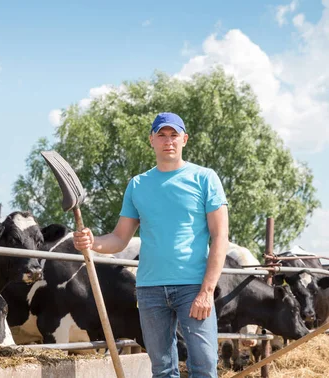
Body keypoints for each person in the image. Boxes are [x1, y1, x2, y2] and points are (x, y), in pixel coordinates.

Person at [73, 112, 229, 378]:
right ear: (152, 140)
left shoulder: (205, 178)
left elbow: (220, 237)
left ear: (184, 139)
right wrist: (93, 242)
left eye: (174, 135)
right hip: (149, 290)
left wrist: (207, 291)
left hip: (193, 287)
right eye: (162, 135)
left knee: (203, 366)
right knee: (162, 369)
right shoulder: (138, 184)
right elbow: (120, 238)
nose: (168, 141)